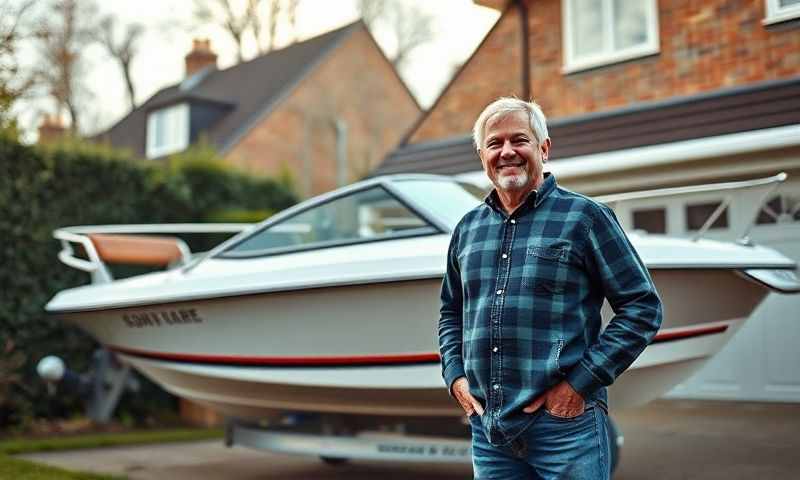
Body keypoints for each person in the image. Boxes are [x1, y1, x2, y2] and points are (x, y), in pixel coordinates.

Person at [438, 97, 663, 479]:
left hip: (566, 428)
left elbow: (642, 308)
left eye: (519, 140)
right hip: (490, 433)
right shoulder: (467, 230)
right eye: (495, 143)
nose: (507, 151)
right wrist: (455, 377)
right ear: (482, 156)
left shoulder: (585, 218)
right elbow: (450, 312)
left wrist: (579, 385)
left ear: (544, 148)